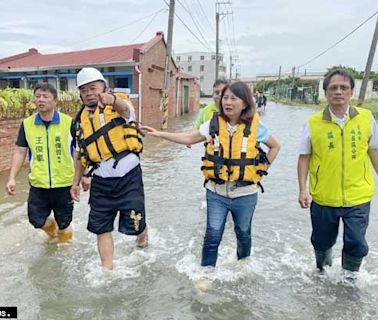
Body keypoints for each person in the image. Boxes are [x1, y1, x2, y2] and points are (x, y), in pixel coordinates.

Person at [142, 81, 280, 267]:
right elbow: (189, 138)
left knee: (244, 233)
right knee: (212, 235)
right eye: (225, 98)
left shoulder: (256, 126)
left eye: (233, 98)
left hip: (246, 194)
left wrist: (261, 171)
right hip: (216, 192)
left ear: (245, 103)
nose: (227, 102)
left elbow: (275, 146)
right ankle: (206, 274)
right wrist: (160, 134)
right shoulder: (212, 124)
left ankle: (243, 267)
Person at [297, 69, 378, 283]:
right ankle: (322, 274)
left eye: (344, 88)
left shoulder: (366, 118)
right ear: (325, 93)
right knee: (321, 242)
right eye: (333, 88)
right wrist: (303, 189)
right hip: (324, 197)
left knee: (357, 242)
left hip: (358, 195)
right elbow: (304, 157)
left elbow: (374, 151)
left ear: (351, 92)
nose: (339, 92)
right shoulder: (313, 123)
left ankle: (349, 280)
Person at [70, 67, 148, 270]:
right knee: (101, 227)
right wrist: (75, 182)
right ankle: (107, 268)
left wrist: (112, 100)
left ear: (104, 87)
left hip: (128, 177)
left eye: (93, 88)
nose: (89, 93)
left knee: (135, 222)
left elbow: (127, 112)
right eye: (84, 90)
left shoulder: (119, 103)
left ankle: (142, 240)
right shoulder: (78, 123)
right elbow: (80, 154)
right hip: (101, 181)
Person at [5, 83, 75, 243]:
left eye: (45, 96)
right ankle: (53, 233)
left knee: (65, 221)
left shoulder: (68, 123)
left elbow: (80, 152)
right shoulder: (27, 124)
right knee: (36, 220)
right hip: (39, 183)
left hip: (64, 183)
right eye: (38, 96)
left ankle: (64, 249)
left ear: (55, 101)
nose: (40, 100)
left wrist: (81, 177)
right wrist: (12, 178)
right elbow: (20, 151)